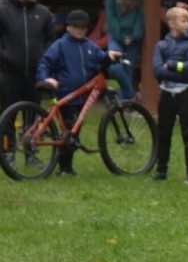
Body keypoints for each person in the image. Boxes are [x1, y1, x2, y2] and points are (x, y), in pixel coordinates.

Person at [36, 10, 123, 176]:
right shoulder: (60, 45)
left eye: (83, 27)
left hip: (82, 96)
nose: (80, 30)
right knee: (70, 131)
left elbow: (100, 57)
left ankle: (66, 166)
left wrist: (108, 55)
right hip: (66, 94)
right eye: (76, 26)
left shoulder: (89, 45)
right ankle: (64, 167)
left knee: (73, 131)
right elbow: (45, 62)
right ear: (68, 27)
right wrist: (46, 78)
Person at [0, 0, 53, 164]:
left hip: (35, 73)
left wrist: (44, 59)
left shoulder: (43, 13)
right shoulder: (3, 10)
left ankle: (31, 153)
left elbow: (49, 39)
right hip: (10, 72)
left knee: (34, 114)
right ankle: (8, 151)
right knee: (8, 114)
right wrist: (5, 57)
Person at [151, 7, 188, 184]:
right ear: (171, 23)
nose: (187, 24)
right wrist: (179, 71)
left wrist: (172, 64)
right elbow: (157, 70)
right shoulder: (161, 45)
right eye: (183, 21)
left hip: (186, 92)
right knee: (163, 132)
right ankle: (161, 169)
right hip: (166, 94)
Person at [104, 0, 143, 99]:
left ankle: (124, 102)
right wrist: (120, 36)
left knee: (128, 69)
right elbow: (110, 15)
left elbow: (140, 17)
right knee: (116, 66)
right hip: (116, 36)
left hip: (133, 37)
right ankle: (130, 94)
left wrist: (134, 36)